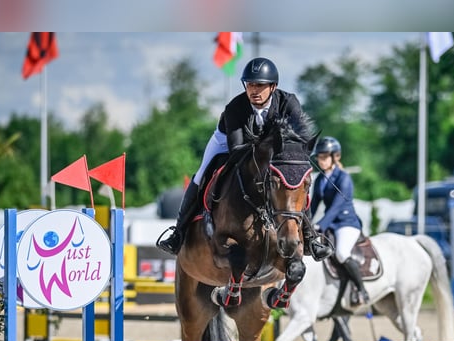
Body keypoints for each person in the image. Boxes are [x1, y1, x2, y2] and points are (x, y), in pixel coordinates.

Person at [157, 57, 333, 261]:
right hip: (228, 143)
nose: (254, 90)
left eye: (260, 85)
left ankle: (311, 238)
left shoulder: (289, 102)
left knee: (295, 179)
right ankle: (178, 233)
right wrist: (264, 147)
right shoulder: (235, 107)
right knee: (202, 174)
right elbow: (236, 149)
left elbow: (299, 137)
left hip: (274, 150)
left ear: (273, 87)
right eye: (250, 84)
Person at [310, 136, 370, 306]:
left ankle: (361, 289)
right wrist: (304, 223)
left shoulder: (343, 178)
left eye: (324, 157)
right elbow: (313, 205)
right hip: (330, 224)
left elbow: (336, 207)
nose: (320, 161)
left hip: (346, 223)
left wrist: (320, 225)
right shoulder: (320, 179)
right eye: (319, 158)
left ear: (335, 157)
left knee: (342, 253)